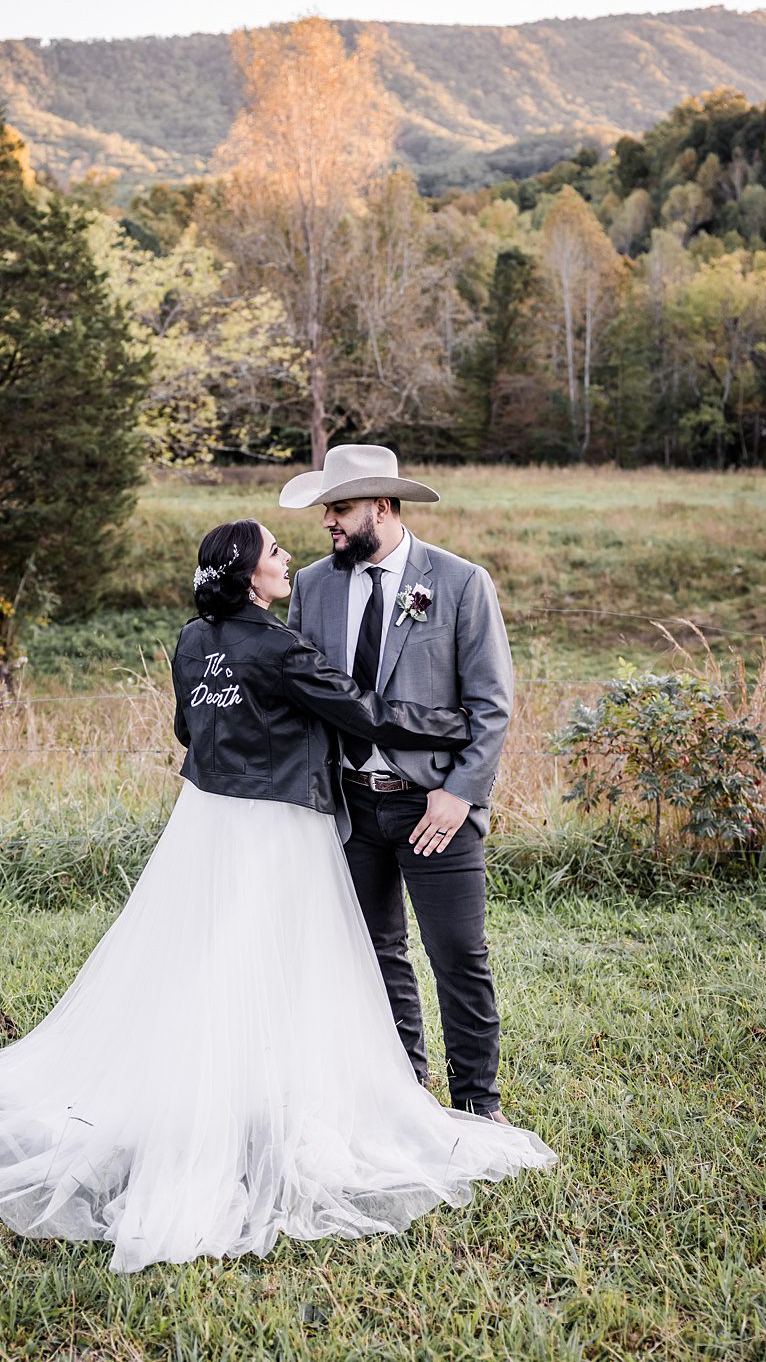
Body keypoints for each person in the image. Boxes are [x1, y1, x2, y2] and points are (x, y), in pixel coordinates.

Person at [0, 518, 553, 1273]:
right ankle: (279, 1107)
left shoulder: (193, 640)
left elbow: (187, 727)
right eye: (276, 553)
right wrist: (448, 722)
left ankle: (223, 1095)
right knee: (288, 961)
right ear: (252, 577)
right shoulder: (279, 645)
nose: (291, 558)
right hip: (277, 826)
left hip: (208, 821)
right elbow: (361, 712)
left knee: (211, 958)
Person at [283, 444, 514, 1120]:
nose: (328, 520)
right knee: (374, 955)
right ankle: (403, 1097)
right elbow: (306, 696)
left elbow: (492, 701)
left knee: (459, 956)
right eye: (327, 508)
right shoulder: (312, 585)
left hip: (433, 805)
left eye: (340, 507)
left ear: (382, 506)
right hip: (350, 807)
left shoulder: (461, 581)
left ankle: (478, 1106)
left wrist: (460, 791)